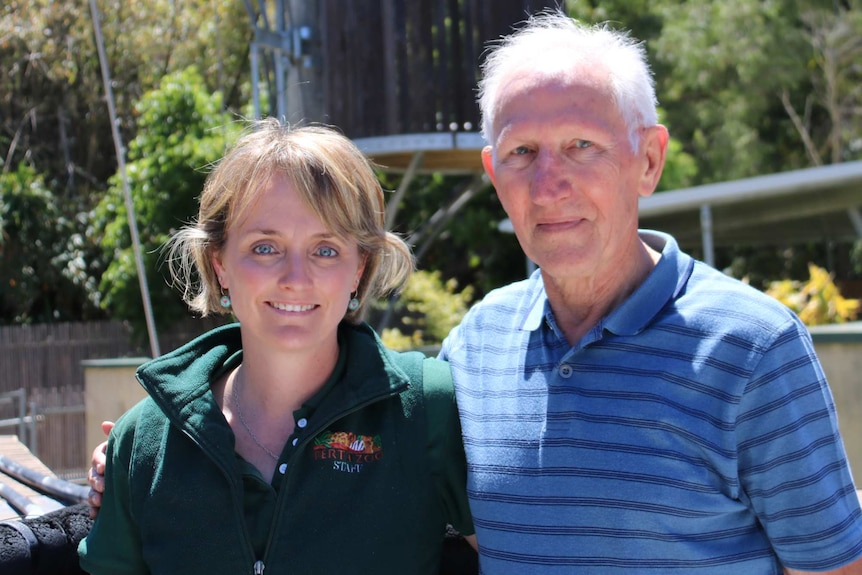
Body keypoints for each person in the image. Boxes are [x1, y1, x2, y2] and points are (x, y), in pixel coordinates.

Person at [436, 9, 862, 575]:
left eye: (581, 145)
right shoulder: (472, 349)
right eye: (522, 153)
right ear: (495, 174)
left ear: (649, 161)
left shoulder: (754, 349)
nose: (547, 186)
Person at [78, 119, 475, 575]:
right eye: (265, 247)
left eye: (325, 249)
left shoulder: (430, 408)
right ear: (220, 264)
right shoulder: (143, 441)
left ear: (359, 270)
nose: (295, 278)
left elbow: (537, 551)